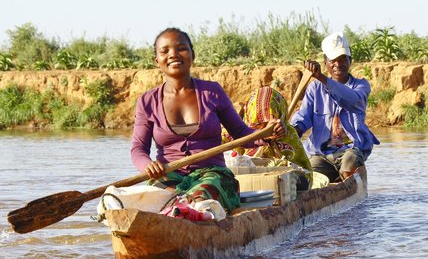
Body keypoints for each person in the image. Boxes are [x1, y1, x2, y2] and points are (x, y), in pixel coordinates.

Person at [131, 27, 285, 215]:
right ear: (157, 60)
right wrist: (147, 165)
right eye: (165, 51)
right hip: (169, 175)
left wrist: (266, 135)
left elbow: (240, 133)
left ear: (192, 54)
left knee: (199, 199)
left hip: (212, 175)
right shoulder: (147, 101)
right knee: (154, 200)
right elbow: (138, 148)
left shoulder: (212, 92)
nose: (173, 54)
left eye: (181, 48)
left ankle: (190, 214)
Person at [289, 31, 379, 183]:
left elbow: (351, 99)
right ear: (326, 62)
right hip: (321, 154)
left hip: (351, 150)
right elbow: (302, 119)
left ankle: (349, 184)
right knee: (307, 176)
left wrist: (322, 78)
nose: (338, 65)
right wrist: (289, 132)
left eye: (343, 59)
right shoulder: (315, 89)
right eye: (333, 60)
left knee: (349, 164)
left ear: (350, 60)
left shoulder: (361, 86)